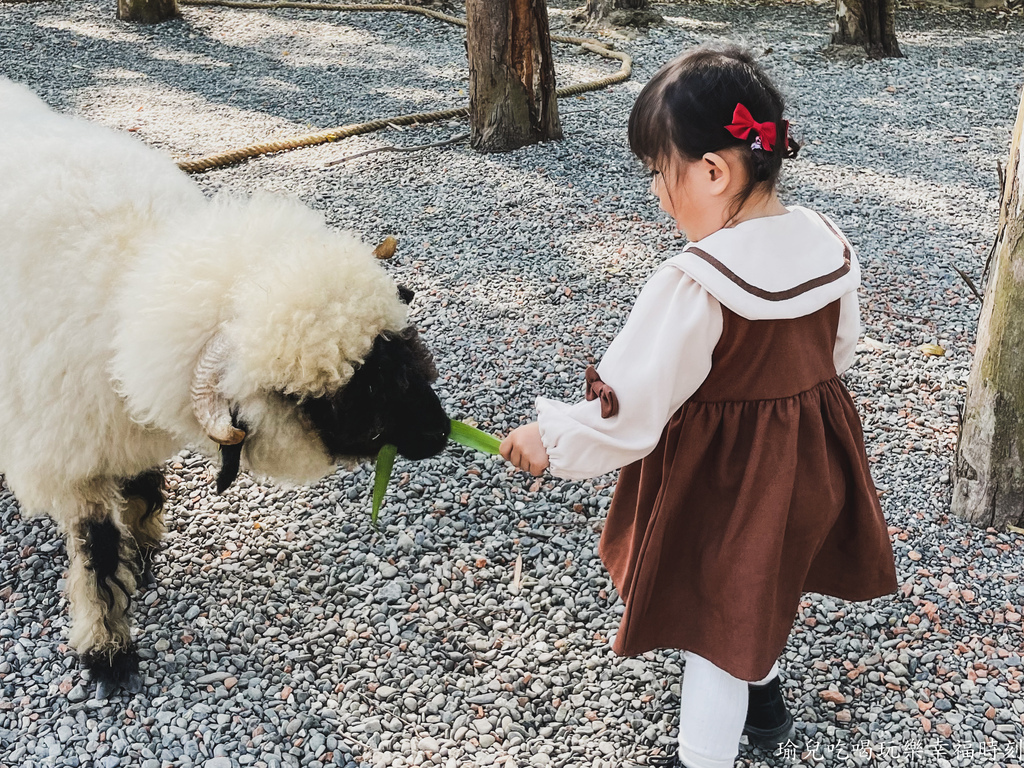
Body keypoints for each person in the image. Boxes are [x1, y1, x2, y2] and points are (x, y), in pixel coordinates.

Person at [499, 43, 899, 768]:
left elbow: (634, 404)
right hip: (811, 464)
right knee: (758, 587)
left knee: (720, 623)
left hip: (728, 486)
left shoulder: (698, 282)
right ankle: (768, 706)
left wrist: (552, 440)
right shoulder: (825, 241)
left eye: (660, 173)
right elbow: (839, 352)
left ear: (713, 172)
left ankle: (700, 757)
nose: (655, 192)